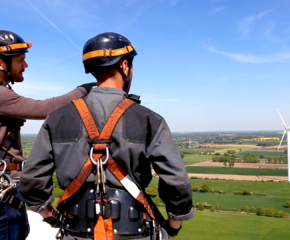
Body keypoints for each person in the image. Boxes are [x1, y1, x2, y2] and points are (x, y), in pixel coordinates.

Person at [20, 32, 194, 240]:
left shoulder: (57, 118)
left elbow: (31, 180)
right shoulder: (149, 119)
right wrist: (173, 225)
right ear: (124, 65)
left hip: (76, 232)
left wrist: (51, 217)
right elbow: (177, 181)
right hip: (135, 233)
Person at [0, 30, 95, 240]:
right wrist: (83, 90)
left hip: (4, 186)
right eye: (20, 60)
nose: (25, 66)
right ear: (0, 64)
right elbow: (44, 108)